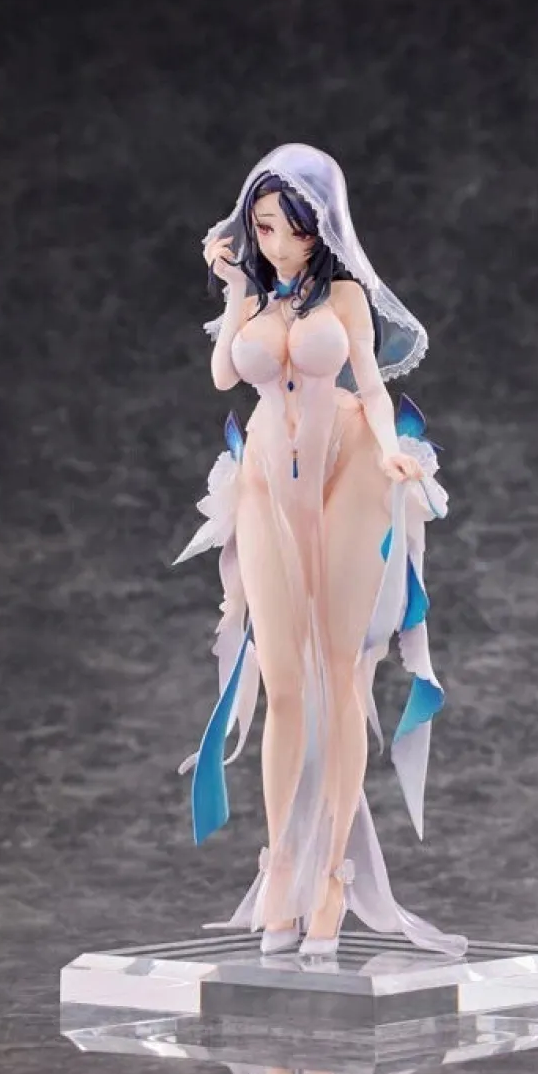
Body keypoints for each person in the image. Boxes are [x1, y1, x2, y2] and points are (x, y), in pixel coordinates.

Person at [174, 143, 467, 959]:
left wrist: (394, 450)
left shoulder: (343, 296)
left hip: (348, 467)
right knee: (281, 680)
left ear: (323, 228)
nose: (277, 243)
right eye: (265, 227)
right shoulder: (256, 297)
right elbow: (223, 376)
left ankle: (332, 876)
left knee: (340, 673)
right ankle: (283, 869)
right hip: (267, 476)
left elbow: (370, 385)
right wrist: (235, 288)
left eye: (294, 228)